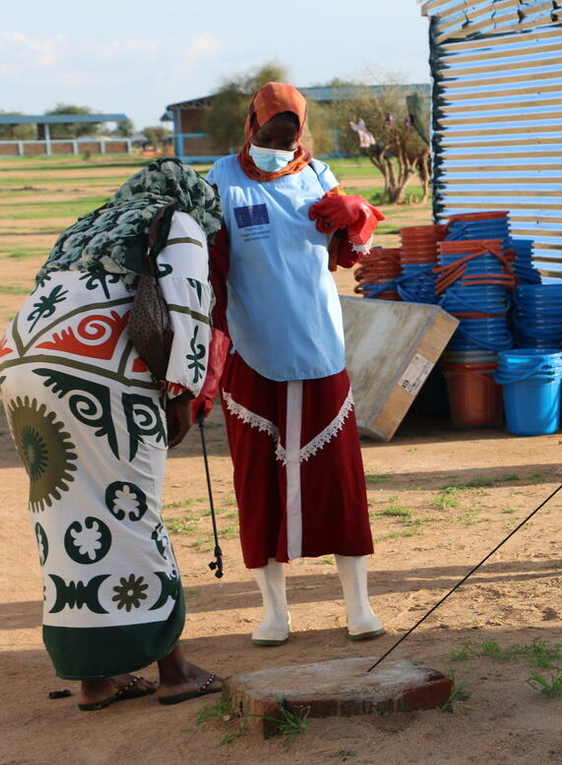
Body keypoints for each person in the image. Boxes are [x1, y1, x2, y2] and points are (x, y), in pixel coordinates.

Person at [0, 158, 225, 709]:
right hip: (99, 370)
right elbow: (188, 307)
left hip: (22, 363)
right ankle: (175, 670)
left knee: (64, 511)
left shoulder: (90, 223)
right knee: (131, 506)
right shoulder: (179, 220)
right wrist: (184, 394)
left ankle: (96, 678)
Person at [206, 82, 385, 646]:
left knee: (339, 479)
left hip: (317, 345)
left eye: (289, 137)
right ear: (250, 128)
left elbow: (344, 255)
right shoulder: (220, 180)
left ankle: (358, 606)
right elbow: (208, 262)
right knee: (257, 481)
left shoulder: (318, 175)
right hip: (251, 349)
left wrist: (356, 221)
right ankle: (274, 613)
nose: (278, 146)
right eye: (268, 135)